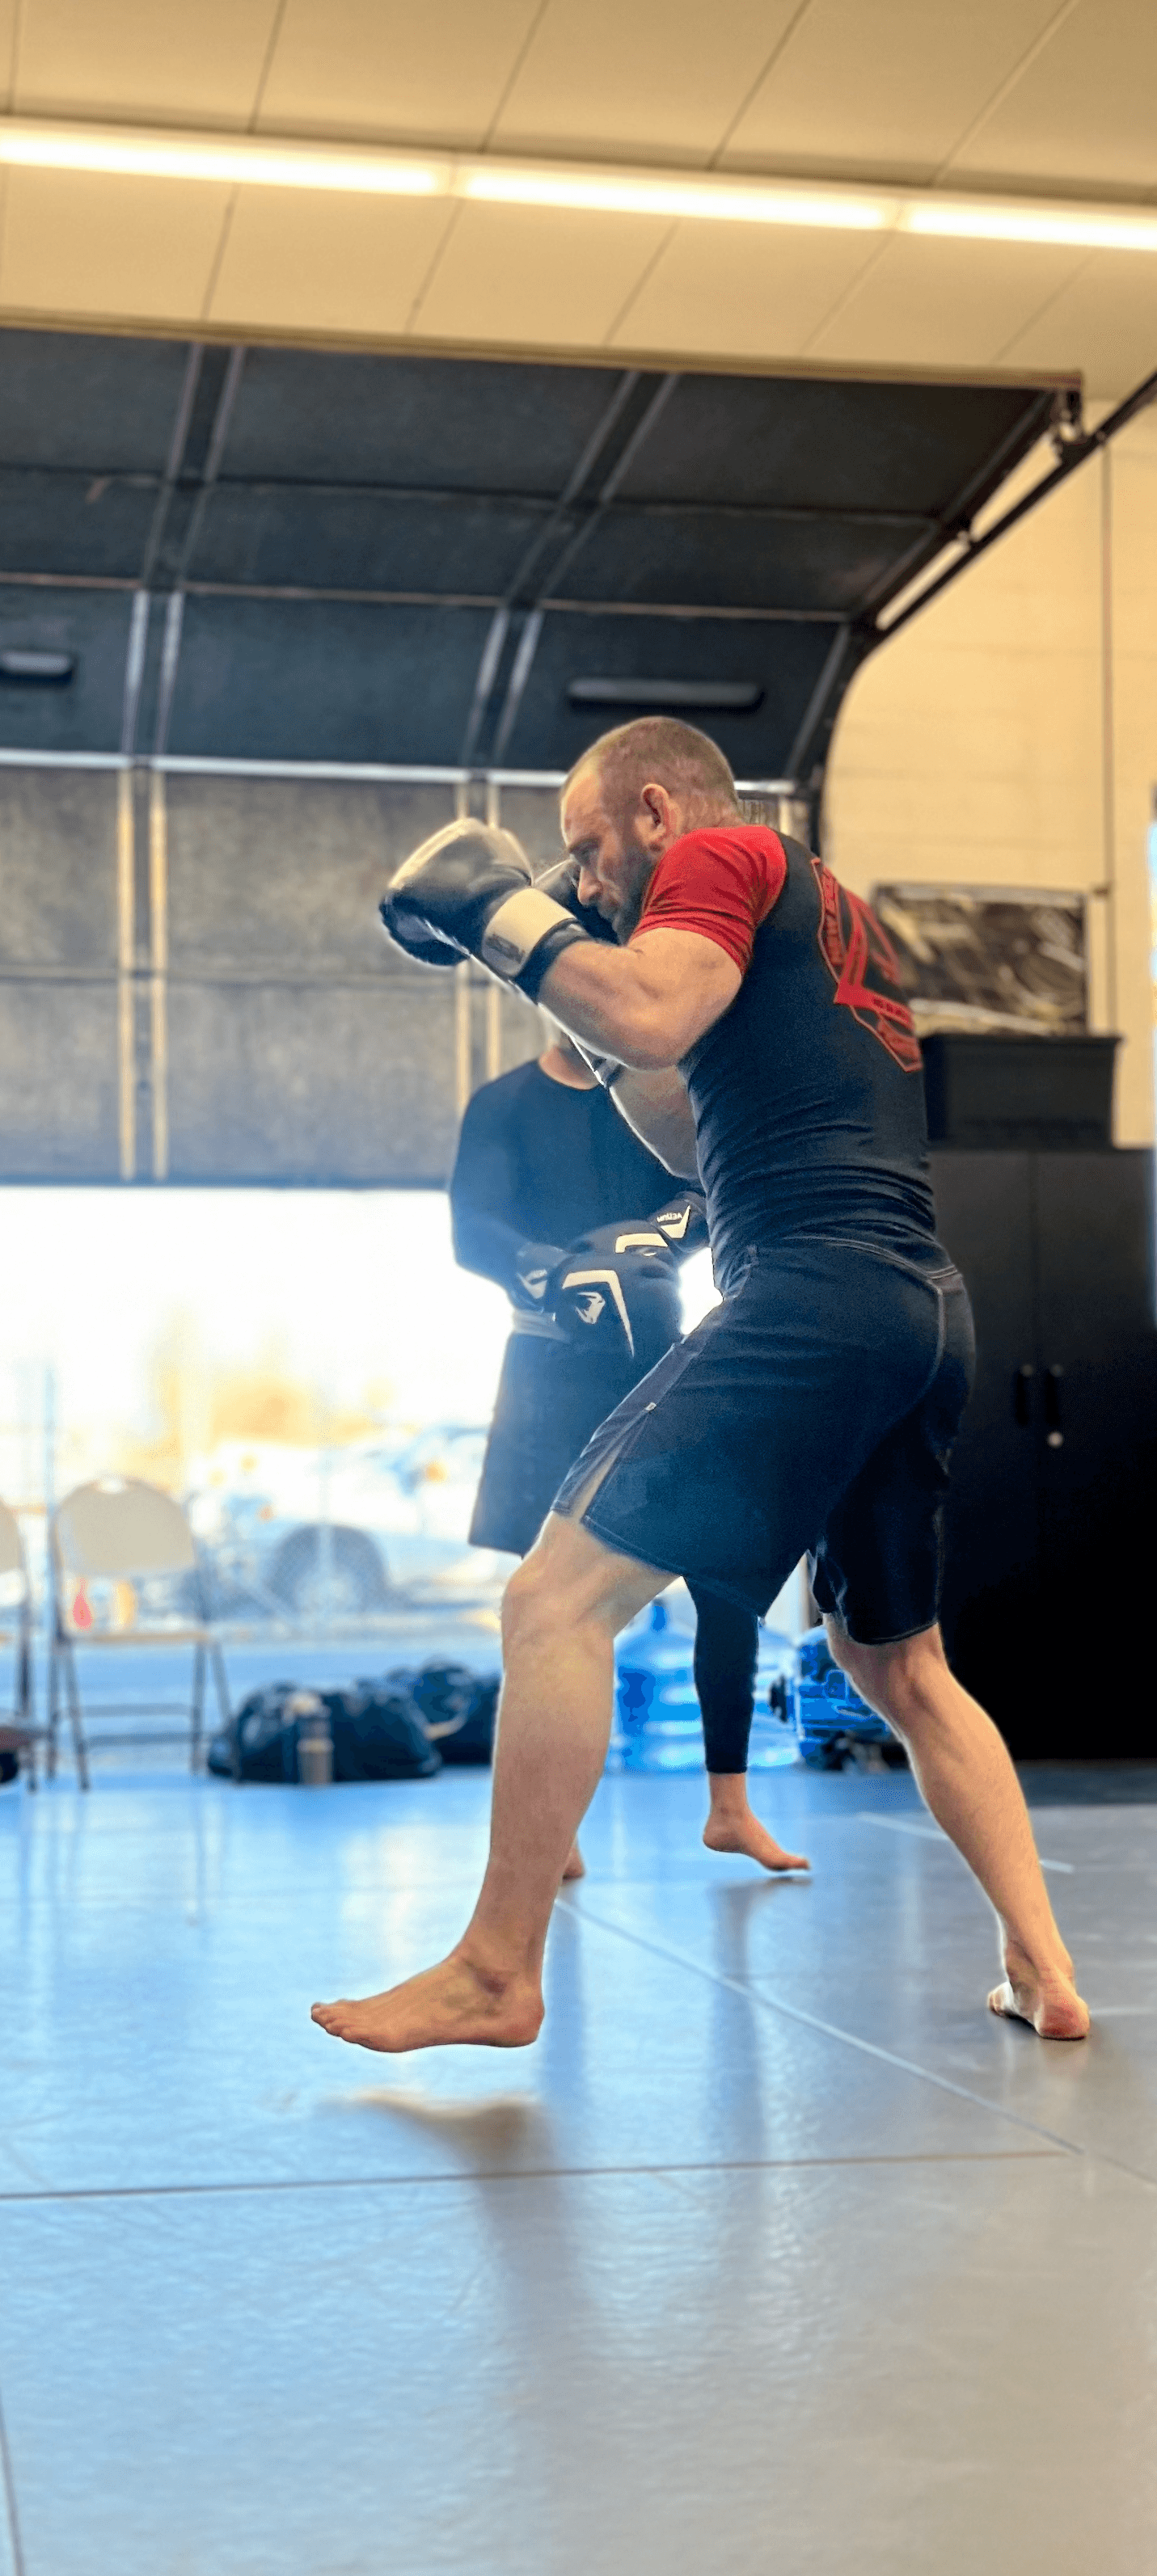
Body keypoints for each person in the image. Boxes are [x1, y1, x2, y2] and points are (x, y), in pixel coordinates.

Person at [319, 718, 1084, 2051]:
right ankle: (1043, 1965)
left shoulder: (721, 856)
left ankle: (495, 1971)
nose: (583, 877)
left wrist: (503, 917)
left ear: (658, 812)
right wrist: (550, 975)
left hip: (810, 1291)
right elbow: (679, 1116)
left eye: (588, 847)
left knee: (550, 1601)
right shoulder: (825, 915)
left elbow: (646, 1008)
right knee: (896, 1661)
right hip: (920, 1308)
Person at [453, 1023, 805, 1876]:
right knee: (549, 1601)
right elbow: (473, 1231)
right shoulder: (504, 1103)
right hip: (548, 1364)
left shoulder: (656, 1098)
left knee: (726, 1575)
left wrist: (645, 1241)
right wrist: (553, 1267)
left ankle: (730, 1808)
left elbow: (707, 1192)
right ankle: (557, 1827)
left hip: (659, 1355)